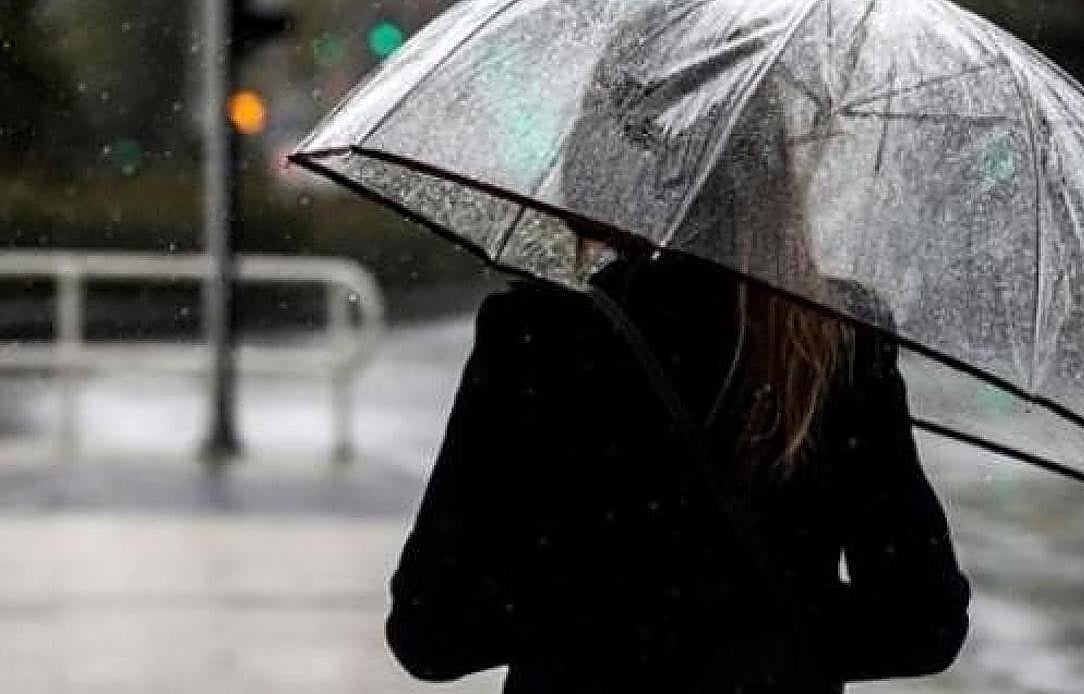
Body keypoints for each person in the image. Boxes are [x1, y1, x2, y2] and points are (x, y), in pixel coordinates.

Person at [385, 242, 970, 693]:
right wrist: (757, 636)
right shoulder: (835, 334)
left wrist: (591, 620)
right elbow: (923, 622)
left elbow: (430, 630)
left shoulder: (538, 333)